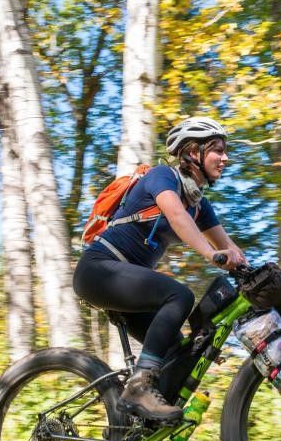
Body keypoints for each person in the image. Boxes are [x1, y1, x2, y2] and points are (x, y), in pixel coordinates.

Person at [73, 116, 248, 422]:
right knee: (178, 296)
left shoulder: (199, 203)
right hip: (99, 270)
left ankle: (132, 429)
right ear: (193, 151)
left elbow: (231, 248)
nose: (225, 157)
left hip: (127, 285)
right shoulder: (160, 177)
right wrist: (210, 253)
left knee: (180, 356)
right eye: (217, 150)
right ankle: (139, 387)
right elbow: (177, 217)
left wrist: (253, 272)